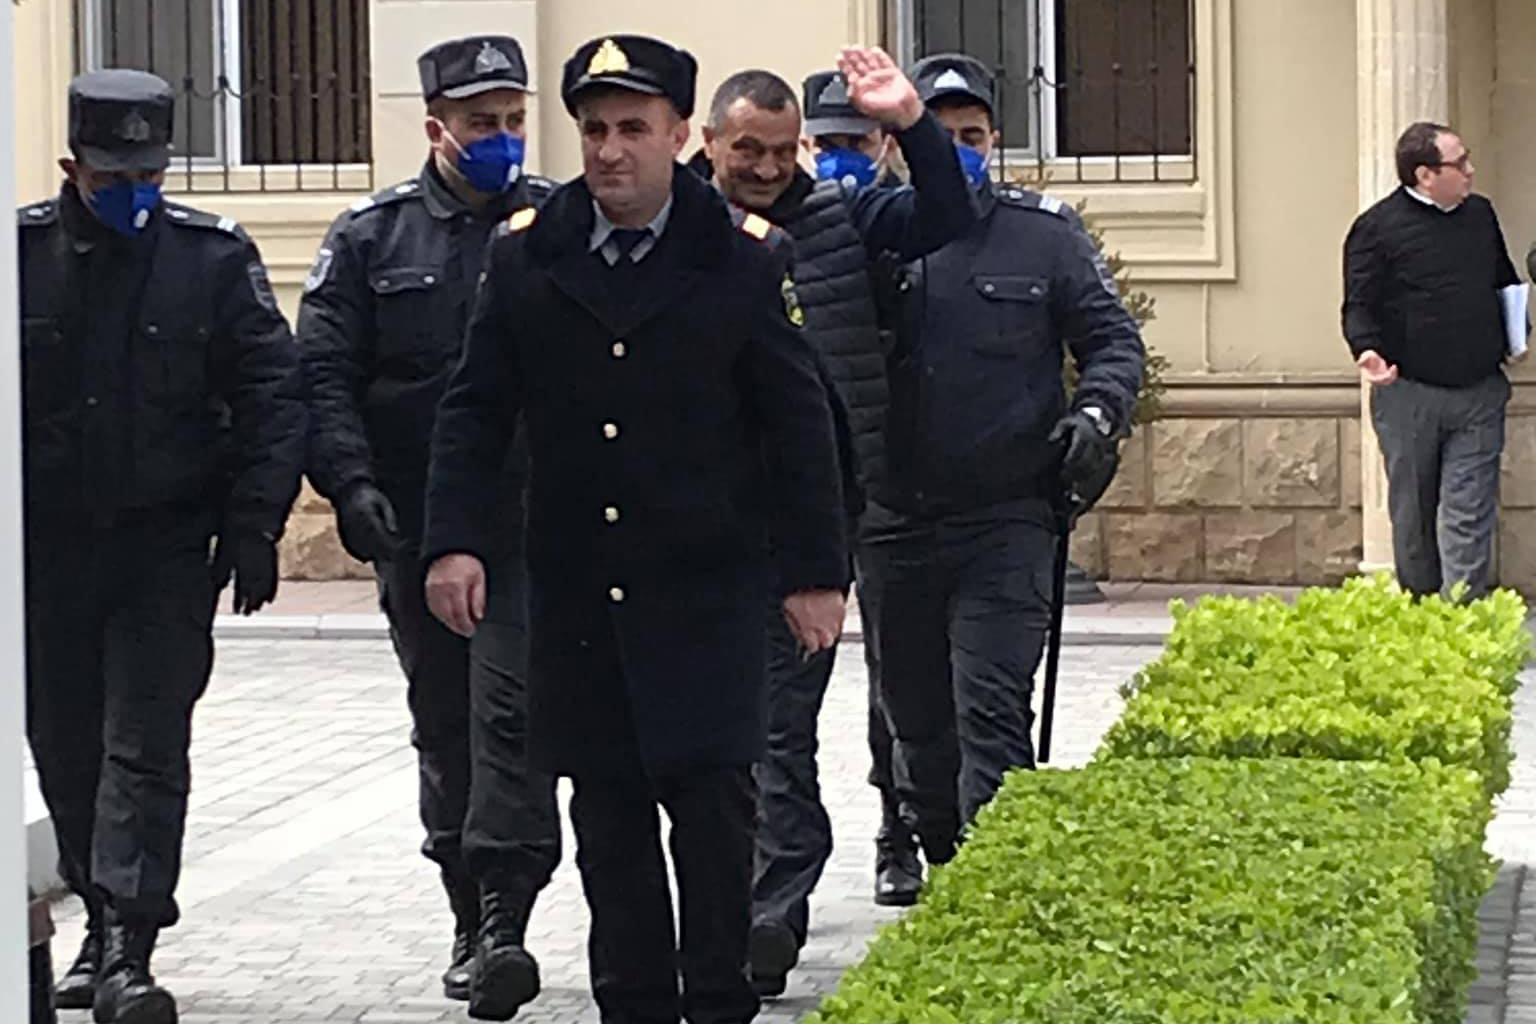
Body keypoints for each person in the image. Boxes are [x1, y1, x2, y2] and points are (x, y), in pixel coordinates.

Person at [421, 34, 850, 1024]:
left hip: (703, 596)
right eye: (595, 129)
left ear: (679, 136)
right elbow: (475, 408)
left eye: (633, 130)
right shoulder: (530, 253)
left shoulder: (743, 259)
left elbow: (799, 425)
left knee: (711, 824)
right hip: (581, 600)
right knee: (607, 830)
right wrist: (454, 540)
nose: (611, 151)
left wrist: (815, 573)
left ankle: (717, 1002)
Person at [17, 69, 305, 1024]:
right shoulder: (20, 258)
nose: (136, 194)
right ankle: (97, 921)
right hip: (49, 550)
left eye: (150, 173)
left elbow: (272, 391)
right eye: (113, 178)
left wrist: (258, 523)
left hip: (167, 545)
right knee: (65, 743)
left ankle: (132, 947)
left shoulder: (210, 259)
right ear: (73, 167)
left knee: (146, 745)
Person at [690, 57, 975, 995]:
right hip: (686, 519)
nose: (767, 167)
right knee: (702, 732)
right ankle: (718, 908)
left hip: (809, 517)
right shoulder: (666, 226)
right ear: (708, 141)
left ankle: (770, 914)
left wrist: (913, 122)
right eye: (748, 151)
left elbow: (947, 215)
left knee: (780, 727)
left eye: (782, 151)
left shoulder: (840, 219)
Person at [297, 35, 562, 1018]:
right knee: (445, 720)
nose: (498, 138)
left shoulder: (557, 223)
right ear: (436, 127)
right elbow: (322, 375)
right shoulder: (373, 239)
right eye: (479, 122)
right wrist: (350, 485)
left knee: (514, 712)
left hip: (534, 520)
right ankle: (464, 901)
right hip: (415, 521)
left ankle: (506, 915)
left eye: (511, 120)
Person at [861, 53, 1144, 865]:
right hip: (895, 520)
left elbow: (1112, 341)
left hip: (1007, 515)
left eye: (972, 135)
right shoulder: (869, 234)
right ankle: (939, 851)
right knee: (916, 721)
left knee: (991, 707)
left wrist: (1098, 414)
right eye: (937, 134)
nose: (957, 148)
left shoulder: (1044, 235)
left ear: (996, 139)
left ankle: (995, 881)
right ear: (896, 141)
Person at [1344, 121, 1520, 600]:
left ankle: (1464, 617)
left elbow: (1503, 281)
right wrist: (1368, 352)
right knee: (1415, 512)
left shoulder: (1480, 216)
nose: (1470, 170)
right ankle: (1423, 612)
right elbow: (1359, 304)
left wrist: (1517, 333)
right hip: (1410, 393)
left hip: (1479, 390)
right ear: (1425, 174)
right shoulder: (1376, 229)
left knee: (1469, 508)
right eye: (1459, 163)